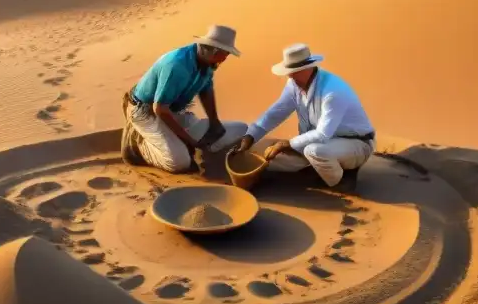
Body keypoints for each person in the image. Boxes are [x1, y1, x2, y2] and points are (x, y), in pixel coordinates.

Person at [230, 43, 375, 191]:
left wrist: (286, 144)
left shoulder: (332, 91)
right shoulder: (294, 84)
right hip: (316, 142)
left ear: (309, 68)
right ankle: (317, 169)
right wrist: (251, 136)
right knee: (262, 152)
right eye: (289, 71)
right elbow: (275, 113)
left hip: (356, 144)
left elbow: (322, 134)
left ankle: (342, 179)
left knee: (314, 151)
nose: (290, 75)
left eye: (295, 71)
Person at [121, 25, 249, 172]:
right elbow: (160, 109)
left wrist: (214, 121)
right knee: (179, 162)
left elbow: (206, 90)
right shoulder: (177, 65)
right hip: (146, 111)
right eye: (225, 53)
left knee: (242, 128)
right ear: (214, 50)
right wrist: (187, 140)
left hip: (174, 111)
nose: (226, 58)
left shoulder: (208, 62)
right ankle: (140, 146)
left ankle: (192, 146)